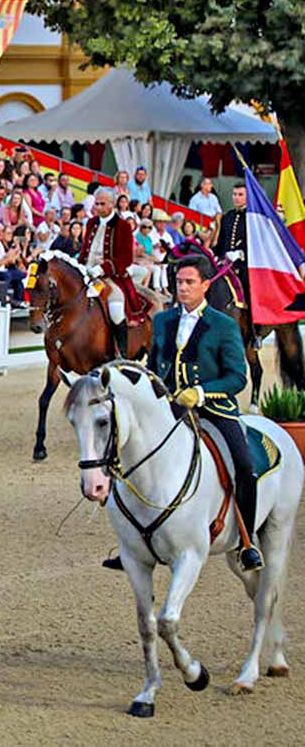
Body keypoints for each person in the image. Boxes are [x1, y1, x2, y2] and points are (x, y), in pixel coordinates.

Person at [140, 253, 260, 572]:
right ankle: (136, 537)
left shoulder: (223, 325)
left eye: (189, 282)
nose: (182, 288)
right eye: (179, 282)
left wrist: (202, 392)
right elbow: (154, 367)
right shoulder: (163, 320)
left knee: (244, 467)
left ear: (206, 285)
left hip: (214, 411)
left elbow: (237, 377)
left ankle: (248, 542)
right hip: (172, 409)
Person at [79, 187, 144, 358]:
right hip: (86, 272)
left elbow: (125, 259)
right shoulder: (91, 222)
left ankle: (121, 352)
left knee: (116, 311)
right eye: (96, 203)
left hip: (111, 278)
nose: (98, 207)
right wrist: (78, 264)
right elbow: (85, 249)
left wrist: (101, 269)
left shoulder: (122, 226)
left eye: (102, 204)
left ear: (112, 204)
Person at [212, 183, 249, 312]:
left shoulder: (252, 217)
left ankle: (253, 324)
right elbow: (222, 241)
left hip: (244, 265)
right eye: (234, 194)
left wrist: (241, 253)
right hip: (225, 264)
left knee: (248, 288)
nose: (236, 198)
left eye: (240, 195)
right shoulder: (228, 216)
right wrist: (214, 254)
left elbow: (257, 243)